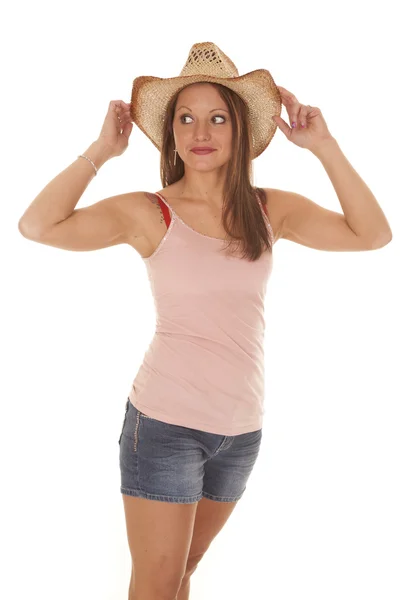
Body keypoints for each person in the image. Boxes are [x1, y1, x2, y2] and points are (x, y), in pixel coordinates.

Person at [18, 42, 392, 600]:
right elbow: (37, 225)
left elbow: (373, 235)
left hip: (241, 432)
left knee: (183, 578)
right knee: (157, 585)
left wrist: (325, 148)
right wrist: (102, 150)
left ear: (240, 130)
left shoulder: (270, 209)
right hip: (164, 426)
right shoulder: (149, 211)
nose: (201, 131)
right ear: (170, 134)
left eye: (217, 118)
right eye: (186, 118)